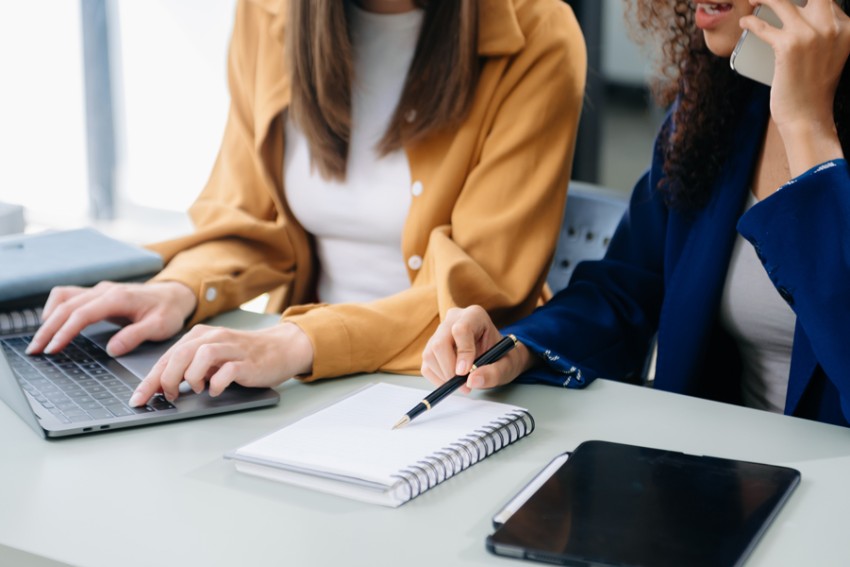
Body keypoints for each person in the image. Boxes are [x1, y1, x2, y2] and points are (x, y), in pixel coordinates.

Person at [26, 0, 586, 407]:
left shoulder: (537, 31)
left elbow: (483, 282)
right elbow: (246, 215)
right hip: (300, 377)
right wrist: (176, 289)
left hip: (455, 386)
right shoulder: (269, 15)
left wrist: (300, 341)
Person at [422, 0, 850, 427]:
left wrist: (808, 127)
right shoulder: (720, 104)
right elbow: (624, 291)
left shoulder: (793, 115)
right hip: (718, 475)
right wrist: (517, 346)